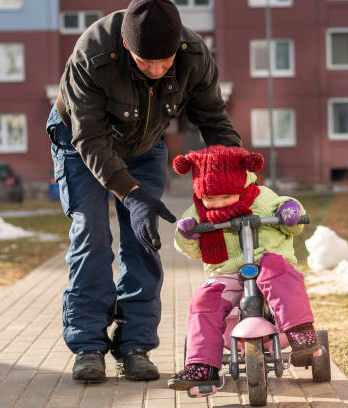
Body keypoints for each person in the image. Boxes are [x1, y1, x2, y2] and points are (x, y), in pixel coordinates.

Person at [45, 0, 241, 383]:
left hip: (145, 144)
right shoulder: (94, 52)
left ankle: (135, 346)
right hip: (80, 143)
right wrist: (129, 194)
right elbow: (90, 138)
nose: (156, 71)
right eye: (145, 62)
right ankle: (88, 347)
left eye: (164, 62)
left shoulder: (194, 55)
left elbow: (213, 119)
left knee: (144, 240)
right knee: (92, 234)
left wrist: (237, 170)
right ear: (125, 44)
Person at [167, 145, 319, 390]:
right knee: (203, 301)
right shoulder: (198, 212)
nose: (217, 204)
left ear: (240, 185)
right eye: (210, 198)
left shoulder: (262, 197)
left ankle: (300, 330)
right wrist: (187, 234)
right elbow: (191, 249)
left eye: (226, 196)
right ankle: (202, 365)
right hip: (226, 271)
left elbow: (289, 212)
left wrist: (289, 212)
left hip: (267, 260)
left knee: (278, 271)